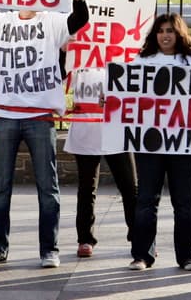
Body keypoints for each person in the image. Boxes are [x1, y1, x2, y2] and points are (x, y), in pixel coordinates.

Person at [0, 0, 89, 269]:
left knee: (48, 188)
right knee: (0, 188)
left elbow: (81, 18)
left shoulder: (53, 22)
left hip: (40, 116)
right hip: (5, 115)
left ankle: (50, 249)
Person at [127, 13, 191, 272]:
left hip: (181, 142)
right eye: (160, 30)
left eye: (170, 30)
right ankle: (142, 255)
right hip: (149, 143)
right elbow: (128, 94)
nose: (165, 35)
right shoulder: (142, 61)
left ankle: (187, 256)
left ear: (179, 33)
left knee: (184, 201)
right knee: (147, 200)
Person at [66, 63, 136, 260]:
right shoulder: (79, 55)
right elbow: (60, 78)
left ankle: (139, 237)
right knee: (87, 187)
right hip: (86, 130)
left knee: (130, 187)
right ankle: (85, 238)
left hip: (116, 130)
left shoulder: (123, 52)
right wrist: (64, 51)